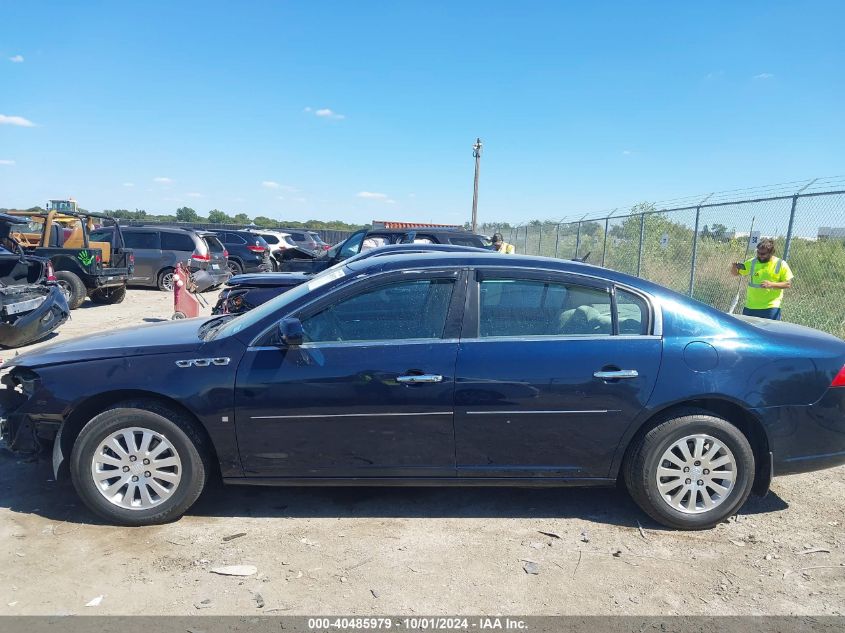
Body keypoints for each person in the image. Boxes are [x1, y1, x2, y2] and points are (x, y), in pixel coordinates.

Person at [730, 237, 793, 320]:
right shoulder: (752, 262)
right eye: (758, 253)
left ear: (771, 253)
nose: (760, 256)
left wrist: (771, 284)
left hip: (770, 308)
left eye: (763, 254)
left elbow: (788, 284)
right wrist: (734, 267)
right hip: (750, 307)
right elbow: (735, 273)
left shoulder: (780, 264)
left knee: (769, 332)